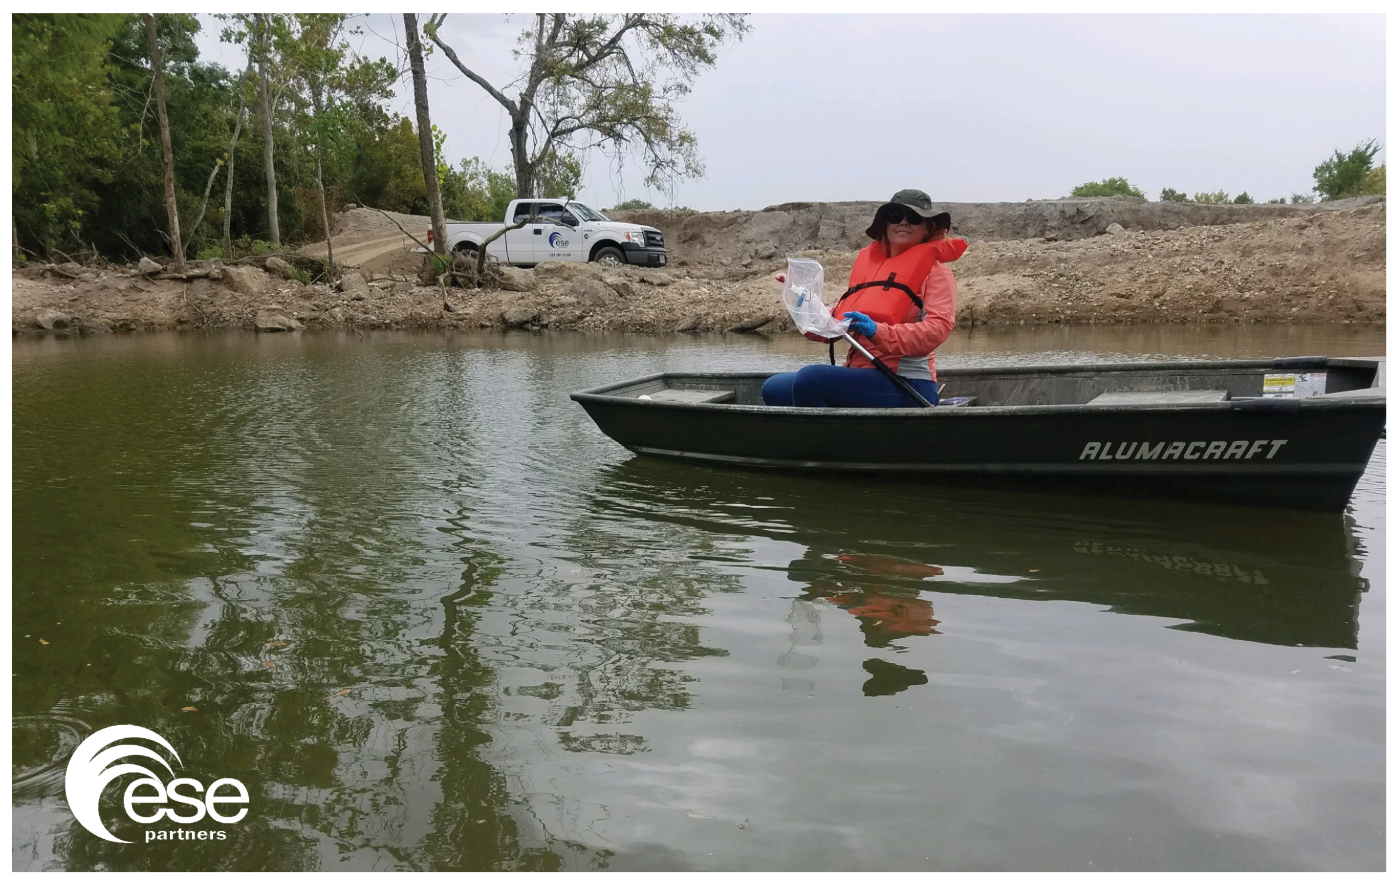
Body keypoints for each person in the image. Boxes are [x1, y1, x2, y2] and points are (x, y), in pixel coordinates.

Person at [763, 189, 968, 407]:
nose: (904, 223)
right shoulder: (871, 270)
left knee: (809, 380)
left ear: (928, 227)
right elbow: (831, 328)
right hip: (861, 374)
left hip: (908, 384)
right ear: (885, 224)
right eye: (896, 216)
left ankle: (826, 440)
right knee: (774, 388)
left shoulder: (937, 274)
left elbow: (937, 329)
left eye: (915, 218)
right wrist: (804, 300)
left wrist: (879, 332)